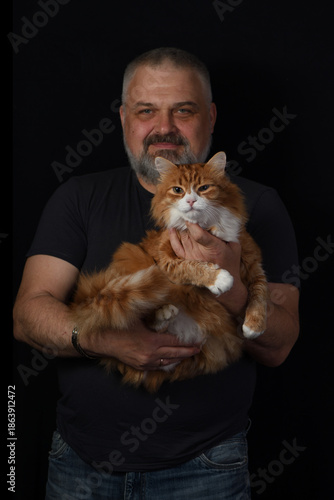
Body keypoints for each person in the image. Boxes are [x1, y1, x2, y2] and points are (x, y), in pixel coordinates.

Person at [13, 47, 299, 499]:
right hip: (79, 465)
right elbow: (28, 315)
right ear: (125, 118)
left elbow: (279, 346)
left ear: (210, 117)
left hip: (207, 468)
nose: (164, 128)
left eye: (183, 110)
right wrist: (105, 340)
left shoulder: (259, 205)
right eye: (147, 110)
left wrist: (233, 288)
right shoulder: (78, 197)